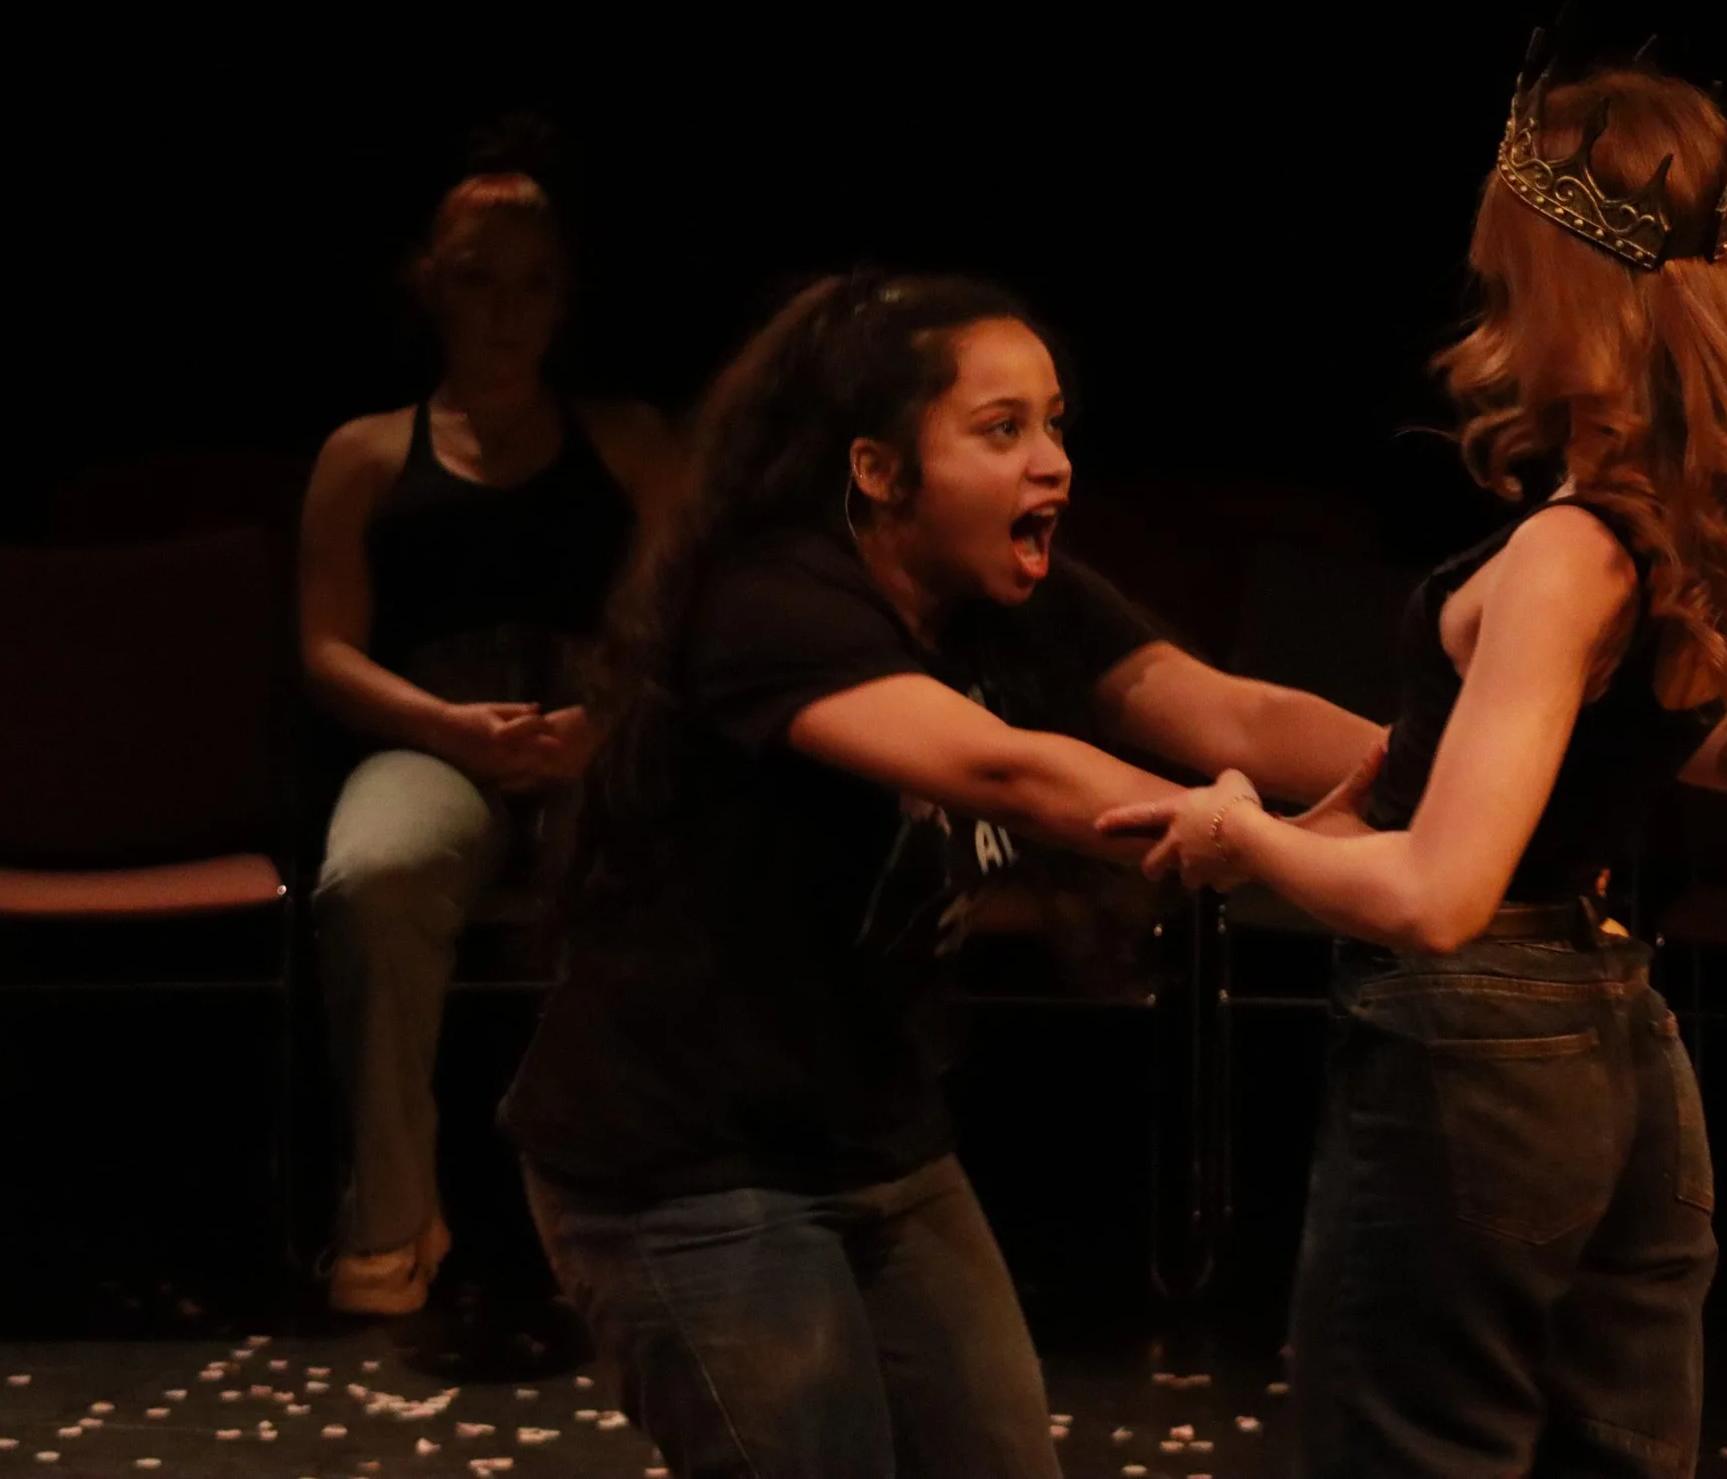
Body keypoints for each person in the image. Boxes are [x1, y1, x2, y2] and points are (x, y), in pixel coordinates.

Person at [1102, 54, 1727, 1478]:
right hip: (1617, 1034)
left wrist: (1242, 838)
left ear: (1565, 283)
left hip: (1484, 1045)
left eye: (1507, 274)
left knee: (1415, 1447)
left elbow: (1437, 896)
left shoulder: (1567, 552)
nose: (1491, 307)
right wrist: (1579, 762)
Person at [498, 272, 1382, 1479]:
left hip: (876, 1140)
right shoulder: (768, 601)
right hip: (681, 1165)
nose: (1052, 461)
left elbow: (1233, 712)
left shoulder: (1007, 595)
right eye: (1001, 429)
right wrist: (1271, 843)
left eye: (1054, 423)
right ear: (878, 469)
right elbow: (1005, 768)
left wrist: (1462, 780)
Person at [298, 165, 679, 1315]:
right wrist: (445, 725)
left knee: (666, 865)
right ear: (433, 287)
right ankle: (391, 1213)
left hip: (592, 735)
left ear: (562, 299)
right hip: (435, 733)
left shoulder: (627, 441)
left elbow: (689, 618)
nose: (505, 310)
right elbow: (326, 648)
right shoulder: (366, 452)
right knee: (376, 872)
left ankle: (650, 1215)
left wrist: (605, 725)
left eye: (532, 284)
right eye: (478, 280)